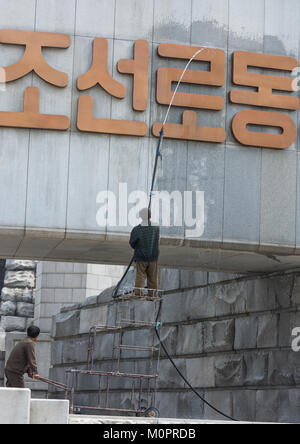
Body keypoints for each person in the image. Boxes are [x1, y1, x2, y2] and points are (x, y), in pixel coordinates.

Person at [129, 207, 160, 296]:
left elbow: (132, 243)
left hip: (141, 257)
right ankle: (153, 295)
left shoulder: (137, 229)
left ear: (141, 217)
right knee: (153, 277)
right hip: (153, 257)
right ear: (150, 216)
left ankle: (139, 293)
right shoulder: (156, 227)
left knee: (140, 276)